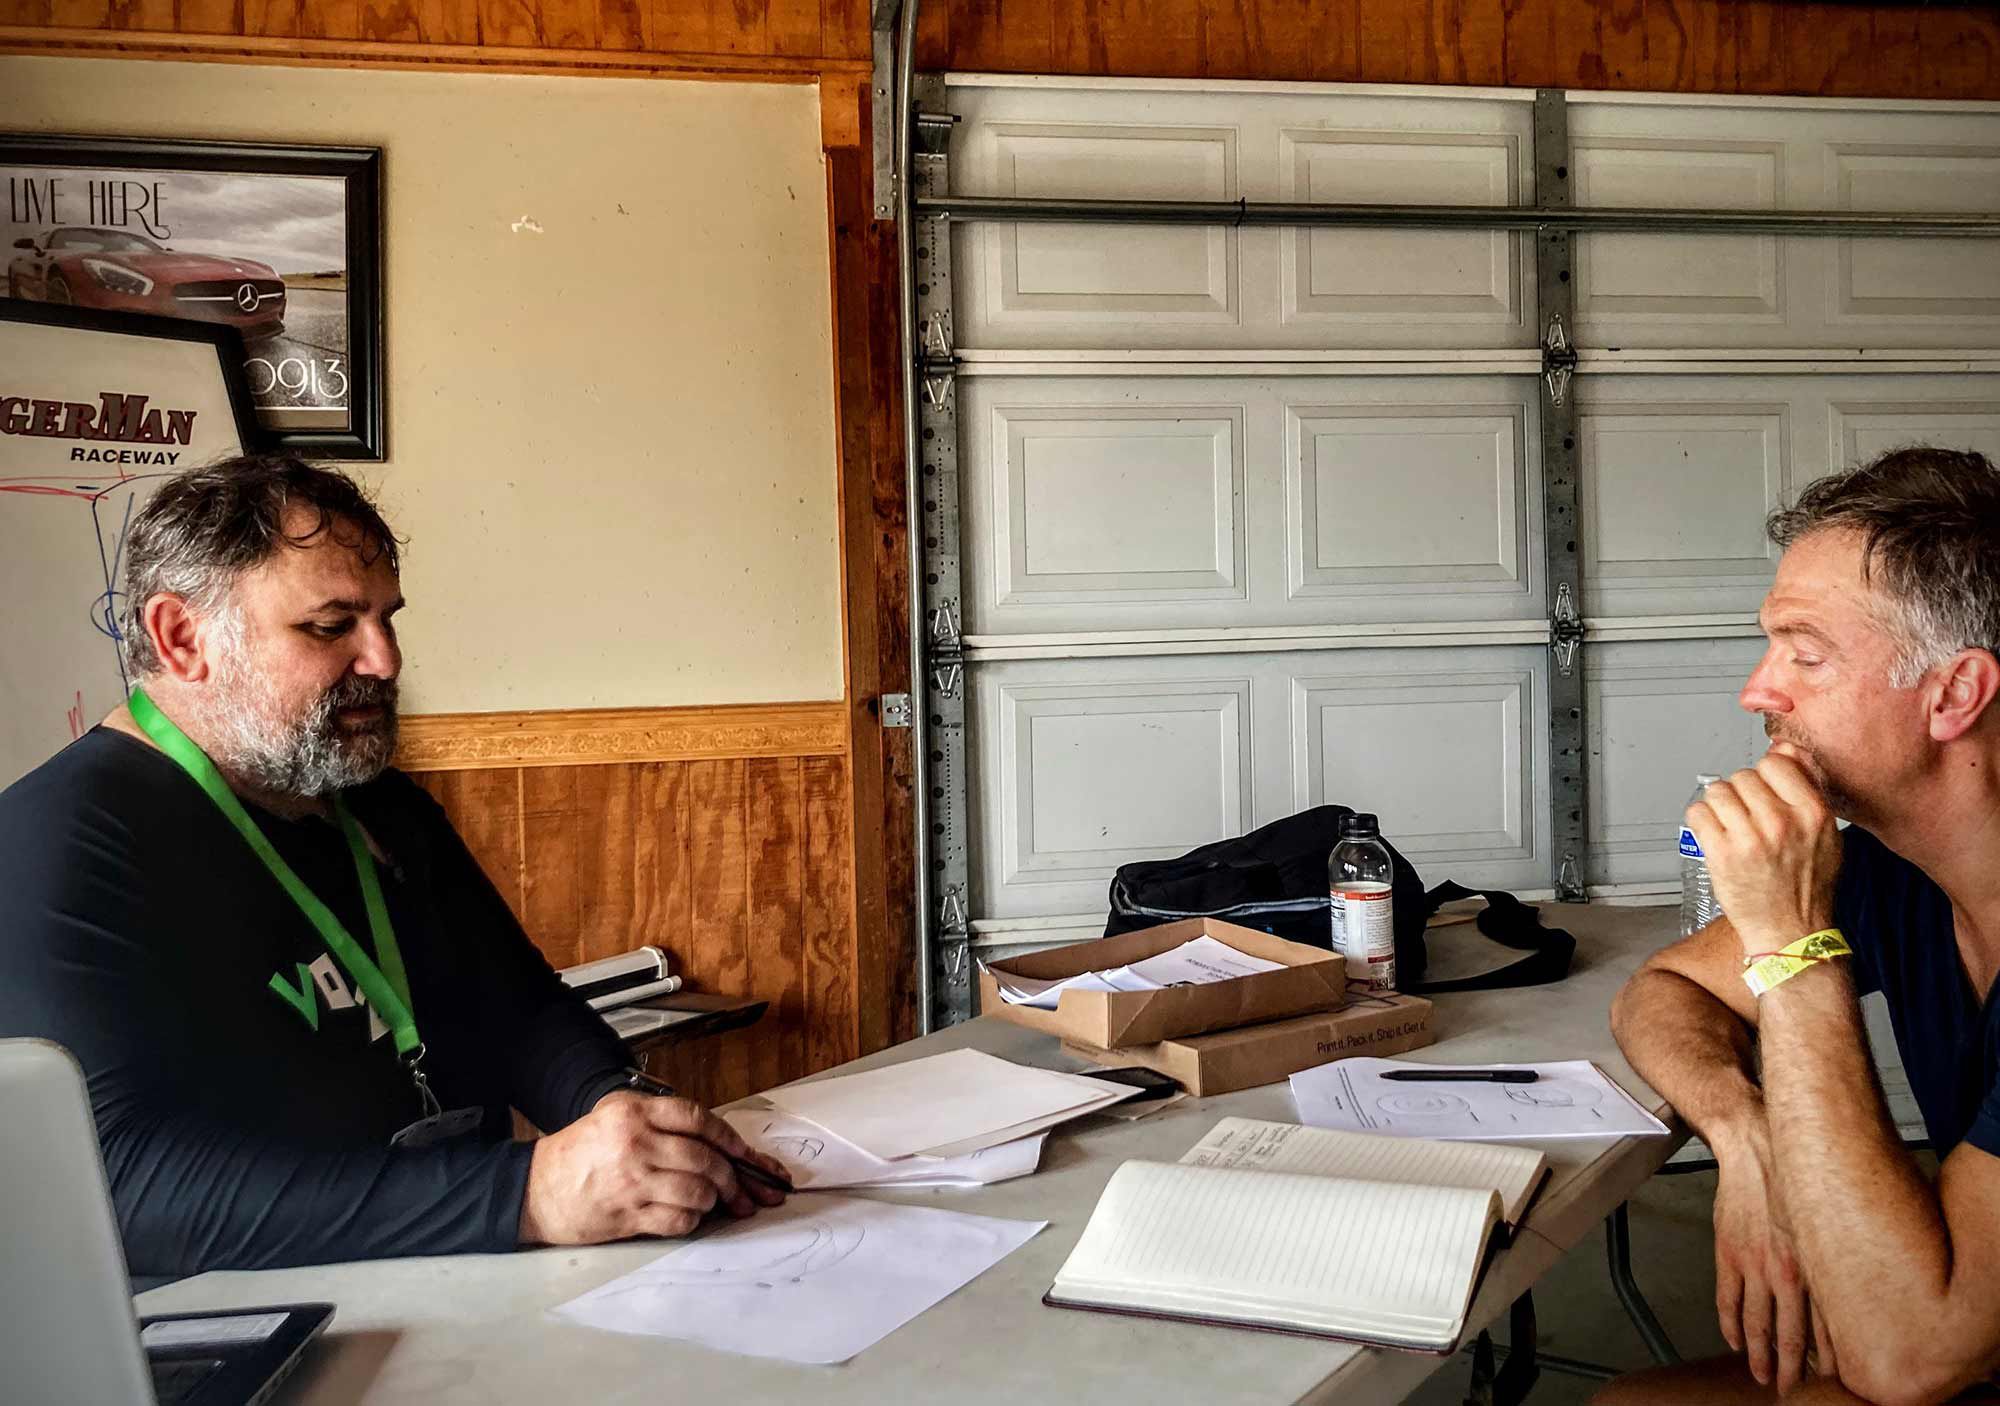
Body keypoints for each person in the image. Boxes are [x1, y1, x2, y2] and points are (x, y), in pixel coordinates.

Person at [0, 455, 787, 1278]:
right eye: (332, 626)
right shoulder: (50, 846)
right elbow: (117, 1187)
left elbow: (517, 1008)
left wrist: (624, 1113)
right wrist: (525, 1194)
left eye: (387, 618)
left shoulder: (374, 798)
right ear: (183, 638)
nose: (384, 659)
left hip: (462, 1284)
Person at [1600, 447, 2000, 1405]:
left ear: (1954, 693)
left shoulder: (1828, 886)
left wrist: (1791, 942)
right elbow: (1665, 990)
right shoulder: (1896, 868)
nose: (1759, 691)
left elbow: (1913, 1361)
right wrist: (1750, 1136)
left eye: (1806, 654)